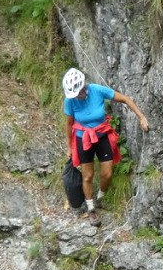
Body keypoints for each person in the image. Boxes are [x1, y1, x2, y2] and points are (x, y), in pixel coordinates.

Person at [62, 68, 150, 226]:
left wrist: (141, 117)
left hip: (102, 135)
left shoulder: (97, 90)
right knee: (87, 176)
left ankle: (101, 197)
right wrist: (70, 146)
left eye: (78, 93)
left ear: (83, 87)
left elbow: (125, 99)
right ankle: (91, 209)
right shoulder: (70, 101)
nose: (77, 97)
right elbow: (69, 124)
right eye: (74, 95)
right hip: (83, 138)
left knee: (107, 173)